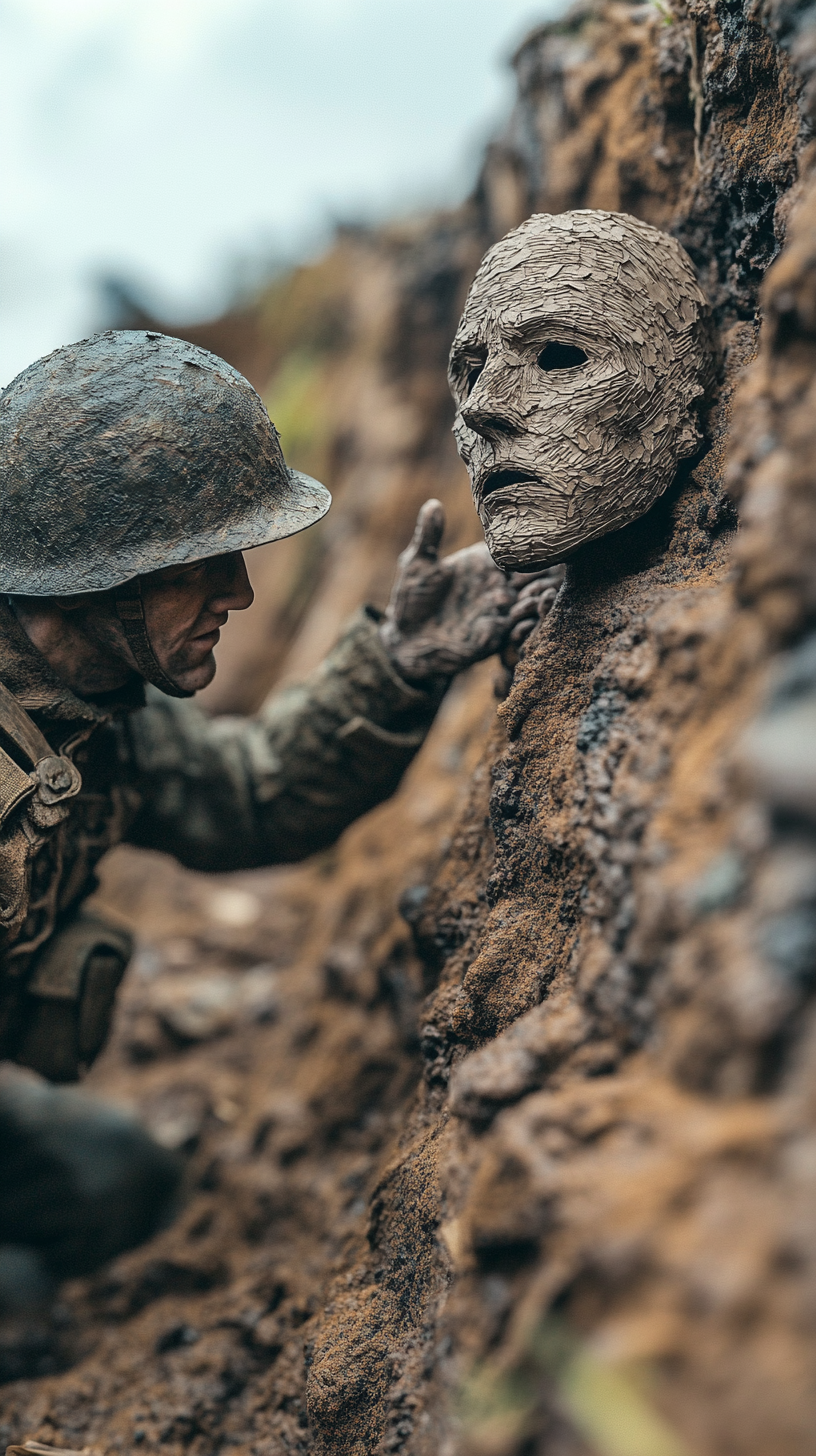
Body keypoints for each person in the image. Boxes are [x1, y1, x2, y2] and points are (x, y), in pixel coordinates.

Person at [0, 330, 551, 1292]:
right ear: (100, 574)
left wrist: (398, 665)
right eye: (201, 563)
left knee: (118, 1186)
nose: (242, 591)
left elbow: (247, 795)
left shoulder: (90, 700)